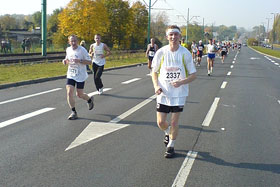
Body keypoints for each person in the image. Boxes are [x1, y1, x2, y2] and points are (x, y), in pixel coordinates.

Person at [151, 25, 196, 158]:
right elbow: (154, 72)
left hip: (179, 94)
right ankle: (168, 132)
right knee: (160, 122)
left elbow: (194, 75)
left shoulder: (185, 53)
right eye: (171, 34)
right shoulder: (161, 52)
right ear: (167, 37)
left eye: (176, 34)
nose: (173, 37)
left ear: (179, 36)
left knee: (175, 122)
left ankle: (171, 146)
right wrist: (156, 86)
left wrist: (181, 82)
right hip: (164, 93)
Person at [62, 35, 94, 120]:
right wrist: (65, 61)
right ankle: (73, 112)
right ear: (69, 42)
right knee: (69, 92)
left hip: (80, 75)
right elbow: (67, 59)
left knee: (79, 94)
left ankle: (89, 99)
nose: (73, 43)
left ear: (77, 41)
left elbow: (90, 62)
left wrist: (79, 61)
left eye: (75, 41)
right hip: (71, 74)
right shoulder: (68, 49)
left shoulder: (82, 50)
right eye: (71, 41)